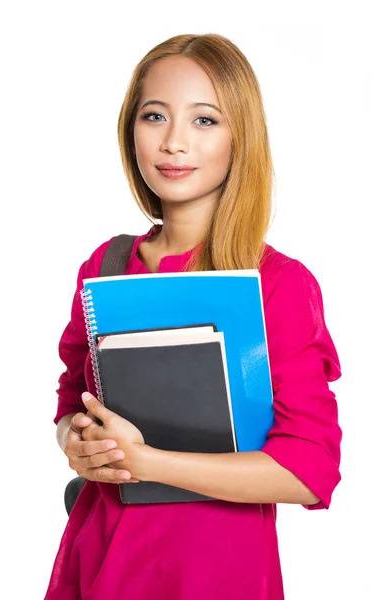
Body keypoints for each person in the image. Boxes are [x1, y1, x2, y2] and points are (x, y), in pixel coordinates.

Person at [44, 33, 342, 600]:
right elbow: (69, 401)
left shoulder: (276, 284)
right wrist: (75, 441)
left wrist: (149, 462)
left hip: (213, 569)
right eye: (155, 116)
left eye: (204, 121)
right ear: (131, 129)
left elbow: (307, 472)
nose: (174, 141)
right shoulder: (105, 267)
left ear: (240, 139)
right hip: (99, 554)